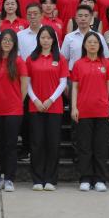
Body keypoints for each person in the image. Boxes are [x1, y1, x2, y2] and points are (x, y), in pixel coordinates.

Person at [70, 31, 109, 192]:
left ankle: (100, 179)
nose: (92, 44)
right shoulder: (78, 64)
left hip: (102, 110)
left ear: (100, 45)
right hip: (84, 110)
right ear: (84, 45)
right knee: (84, 147)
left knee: (101, 147)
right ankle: (85, 178)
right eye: (89, 42)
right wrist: (74, 107)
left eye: (95, 42)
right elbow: (75, 87)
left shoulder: (106, 63)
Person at [26, 25, 68, 191]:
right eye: (42, 37)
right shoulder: (31, 58)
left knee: (53, 143)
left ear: (53, 40)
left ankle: (50, 179)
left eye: (48, 38)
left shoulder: (60, 58)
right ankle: (37, 179)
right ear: (38, 39)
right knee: (37, 143)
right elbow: (27, 82)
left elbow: (63, 82)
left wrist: (51, 99)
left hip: (54, 107)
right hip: (35, 106)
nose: (45, 40)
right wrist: (35, 100)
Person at [0, 29, 27, 192]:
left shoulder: (18, 61)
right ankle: (2, 175)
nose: (6, 42)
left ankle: (10, 179)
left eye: (10, 40)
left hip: (13, 110)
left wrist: (18, 102)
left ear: (14, 44)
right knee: (0, 145)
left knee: (11, 145)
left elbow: (24, 85)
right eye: (4, 39)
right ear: (0, 42)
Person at [61, 4, 109, 70]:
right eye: (80, 16)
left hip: (94, 72)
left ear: (91, 18)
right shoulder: (69, 37)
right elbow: (63, 59)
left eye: (86, 16)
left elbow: (106, 57)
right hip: (73, 73)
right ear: (76, 18)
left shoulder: (99, 36)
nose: (83, 18)